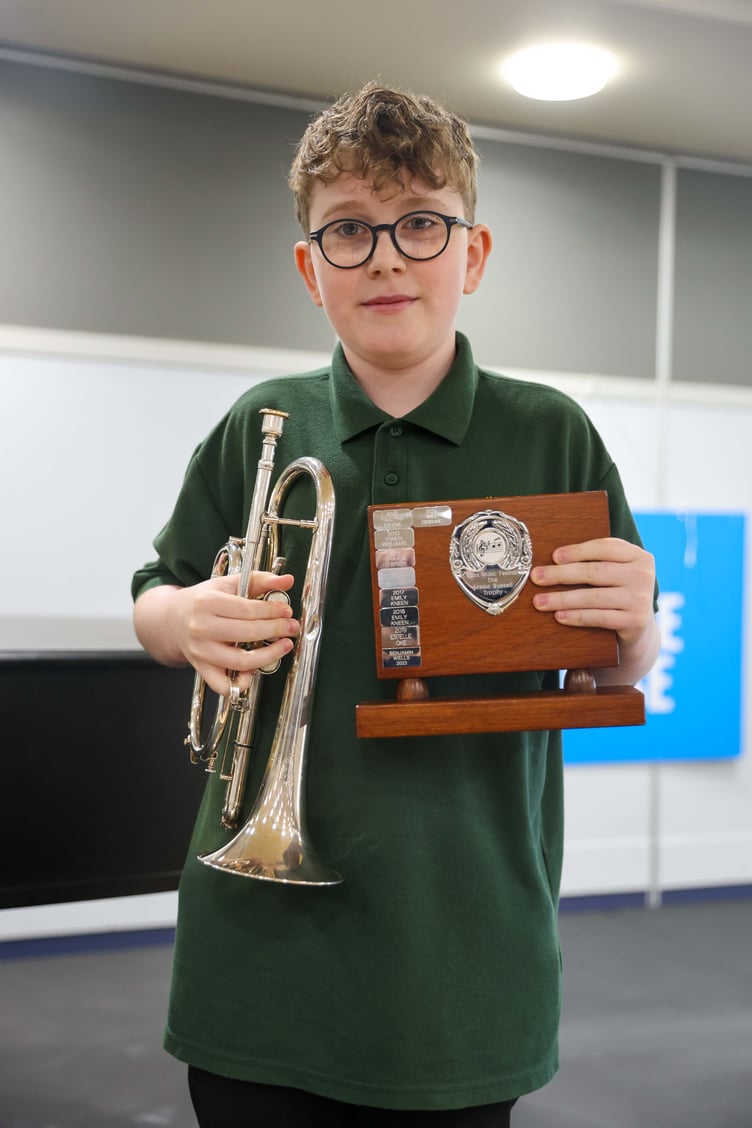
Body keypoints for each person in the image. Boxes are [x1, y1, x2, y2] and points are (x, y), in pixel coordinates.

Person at [132, 82, 660, 1127]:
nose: (384, 256)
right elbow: (155, 594)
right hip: (260, 958)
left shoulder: (550, 431)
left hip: (464, 956)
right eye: (348, 231)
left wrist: (634, 626)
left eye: (420, 224)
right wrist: (181, 618)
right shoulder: (263, 422)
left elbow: (613, 667)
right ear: (306, 268)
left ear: (470, 254)